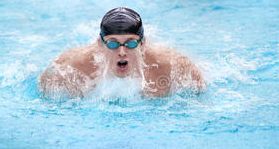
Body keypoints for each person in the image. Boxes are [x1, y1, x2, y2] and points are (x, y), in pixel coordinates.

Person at [38, 7, 205, 97]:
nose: (122, 52)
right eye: (113, 44)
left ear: (143, 44)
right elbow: (43, 90)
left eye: (131, 43)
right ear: (100, 44)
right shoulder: (72, 68)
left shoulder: (171, 67)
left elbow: (200, 93)